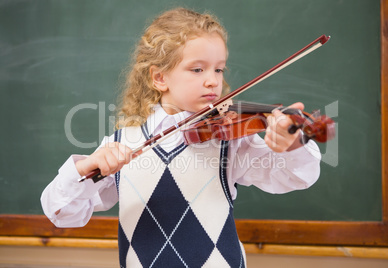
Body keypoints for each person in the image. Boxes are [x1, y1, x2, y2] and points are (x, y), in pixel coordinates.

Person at [41, 7, 321, 268]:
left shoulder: (229, 140)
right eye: (197, 69)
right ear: (160, 78)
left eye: (218, 69)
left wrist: (293, 146)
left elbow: (294, 177)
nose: (213, 81)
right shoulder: (122, 144)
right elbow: (64, 213)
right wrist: (83, 168)